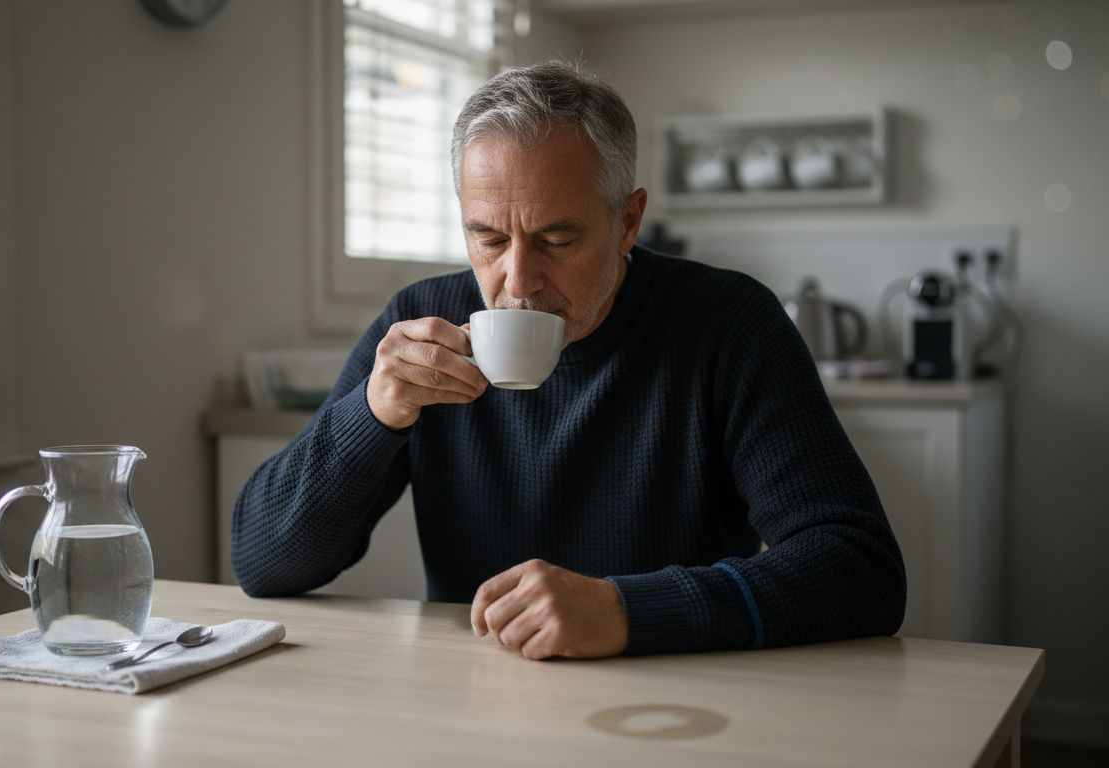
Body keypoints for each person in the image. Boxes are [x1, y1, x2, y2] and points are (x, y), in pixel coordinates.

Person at [232, 61, 905, 660]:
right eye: (489, 239)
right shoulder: (423, 326)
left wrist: (629, 611)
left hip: (681, 701)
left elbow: (860, 569)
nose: (517, 281)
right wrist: (372, 416)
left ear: (627, 224)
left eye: (557, 238)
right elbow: (262, 563)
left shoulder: (727, 326)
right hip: (475, 698)